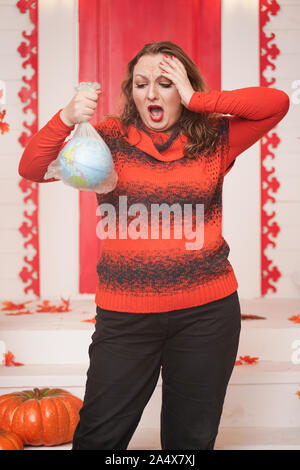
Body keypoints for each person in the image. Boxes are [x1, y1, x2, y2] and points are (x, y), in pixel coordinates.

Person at [18, 41, 290, 450]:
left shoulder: (215, 138)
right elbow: (33, 168)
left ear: (183, 90)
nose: (151, 94)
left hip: (207, 317)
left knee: (189, 442)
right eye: (141, 84)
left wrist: (201, 99)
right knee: (98, 438)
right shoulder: (106, 139)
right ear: (131, 93)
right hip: (125, 318)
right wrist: (64, 118)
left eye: (166, 83)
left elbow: (277, 103)